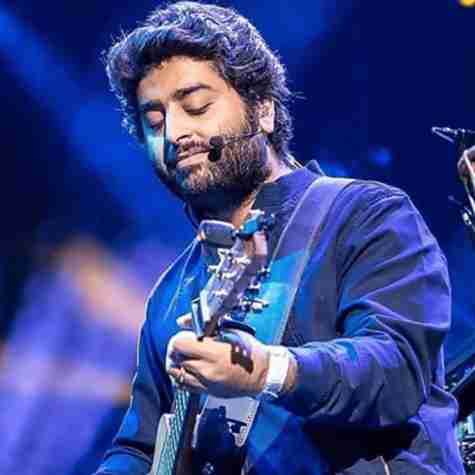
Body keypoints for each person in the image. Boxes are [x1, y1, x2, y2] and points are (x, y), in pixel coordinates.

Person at [94, 2, 464, 473]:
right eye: (155, 121)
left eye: (196, 106)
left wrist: (268, 371)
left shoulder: (367, 215)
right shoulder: (169, 296)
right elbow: (139, 447)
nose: (175, 133)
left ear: (263, 109)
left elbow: (396, 370)